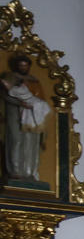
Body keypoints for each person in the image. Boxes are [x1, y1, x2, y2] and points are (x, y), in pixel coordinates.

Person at [2, 53, 49, 183]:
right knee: (16, 140)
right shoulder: (10, 77)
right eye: (21, 65)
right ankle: (15, 170)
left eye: (25, 66)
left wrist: (37, 106)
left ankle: (30, 171)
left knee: (31, 143)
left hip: (32, 114)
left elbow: (41, 98)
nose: (23, 68)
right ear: (16, 66)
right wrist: (19, 103)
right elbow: (5, 96)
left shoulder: (34, 80)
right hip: (15, 114)